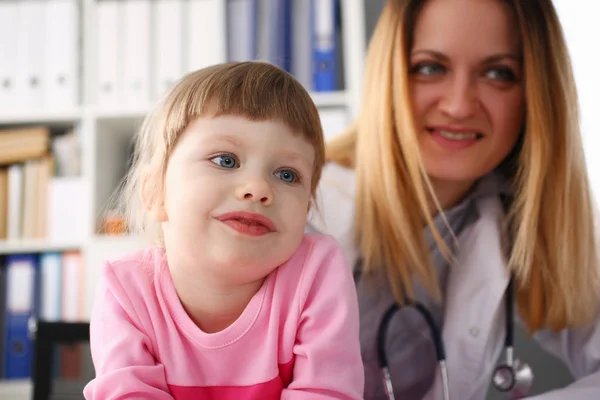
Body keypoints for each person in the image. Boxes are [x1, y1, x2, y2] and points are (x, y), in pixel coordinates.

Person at [307, 0, 600, 399]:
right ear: (389, 75)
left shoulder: (526, 219)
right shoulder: (305, 208)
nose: (459, 105)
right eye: (430, 68)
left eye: (499, 73)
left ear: (537, 94)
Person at [83, 61, 364, 399]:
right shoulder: (126, 290)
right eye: (225, 160)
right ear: (155, 192)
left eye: (287, 175)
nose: (258, 187)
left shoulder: (317, 271)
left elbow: (327, 392)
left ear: (306, 208)